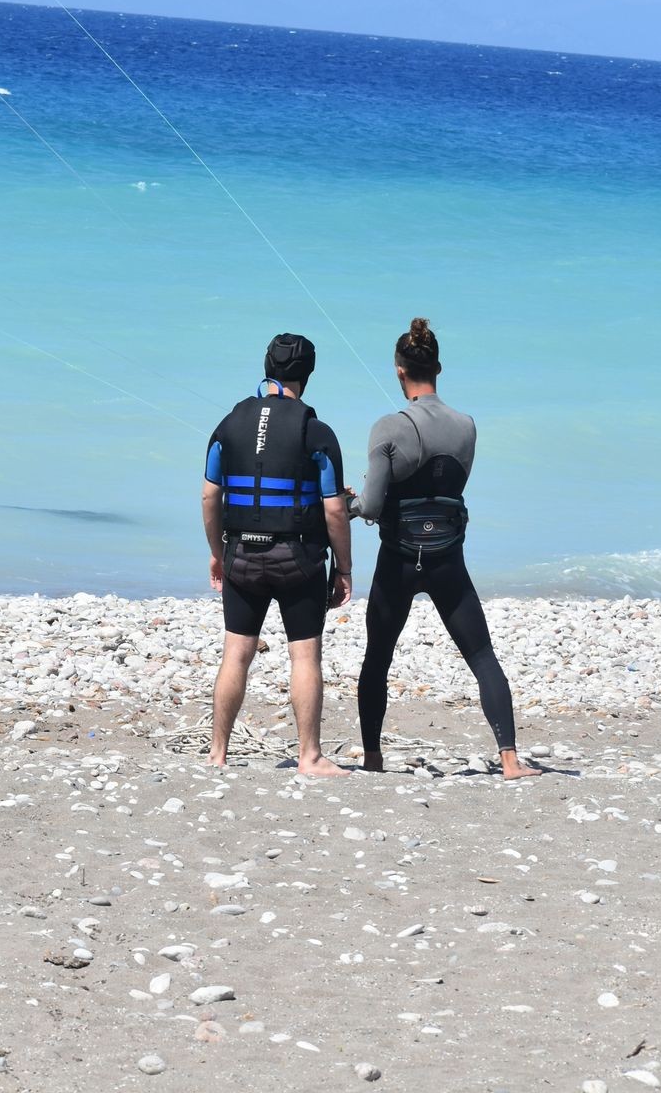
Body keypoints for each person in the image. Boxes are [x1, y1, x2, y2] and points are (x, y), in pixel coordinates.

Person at [350, 318, 539, 779]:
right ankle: (510, 760)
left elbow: (373, 505)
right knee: (481, 656)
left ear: (399, 371)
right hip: (446, 560)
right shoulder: (466, 427)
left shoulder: (387, 428)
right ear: (438, 368)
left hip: (397, 559)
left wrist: (347, 503)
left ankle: (373, 758)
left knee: (378, 656)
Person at [202, 332, 353, 774]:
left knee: (236, 654)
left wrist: (217, 552)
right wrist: (343, 568)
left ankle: (218, 753)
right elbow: (334, 510)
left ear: (266, 365)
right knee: (304, 656)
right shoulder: (315, 430)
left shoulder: (228, 424)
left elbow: (210, 497)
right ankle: (309, 756)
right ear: (307, 374)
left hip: (240, 556)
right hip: (298, 558)